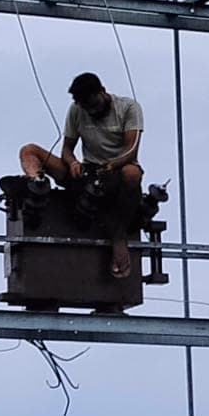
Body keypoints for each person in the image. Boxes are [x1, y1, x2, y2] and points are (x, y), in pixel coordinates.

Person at [15, 71, 145, 278]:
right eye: (85, 106)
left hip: (116, 173)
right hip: (86, 173)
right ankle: (37, 182)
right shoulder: (76, 110)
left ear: (103, 92)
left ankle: (119, 237)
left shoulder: (129, 107)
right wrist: (73, 162)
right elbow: (67, 148)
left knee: (132, 174)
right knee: (29, 150)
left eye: (93, 105)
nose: (90, 111)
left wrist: (111, 166)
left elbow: (132, 150)